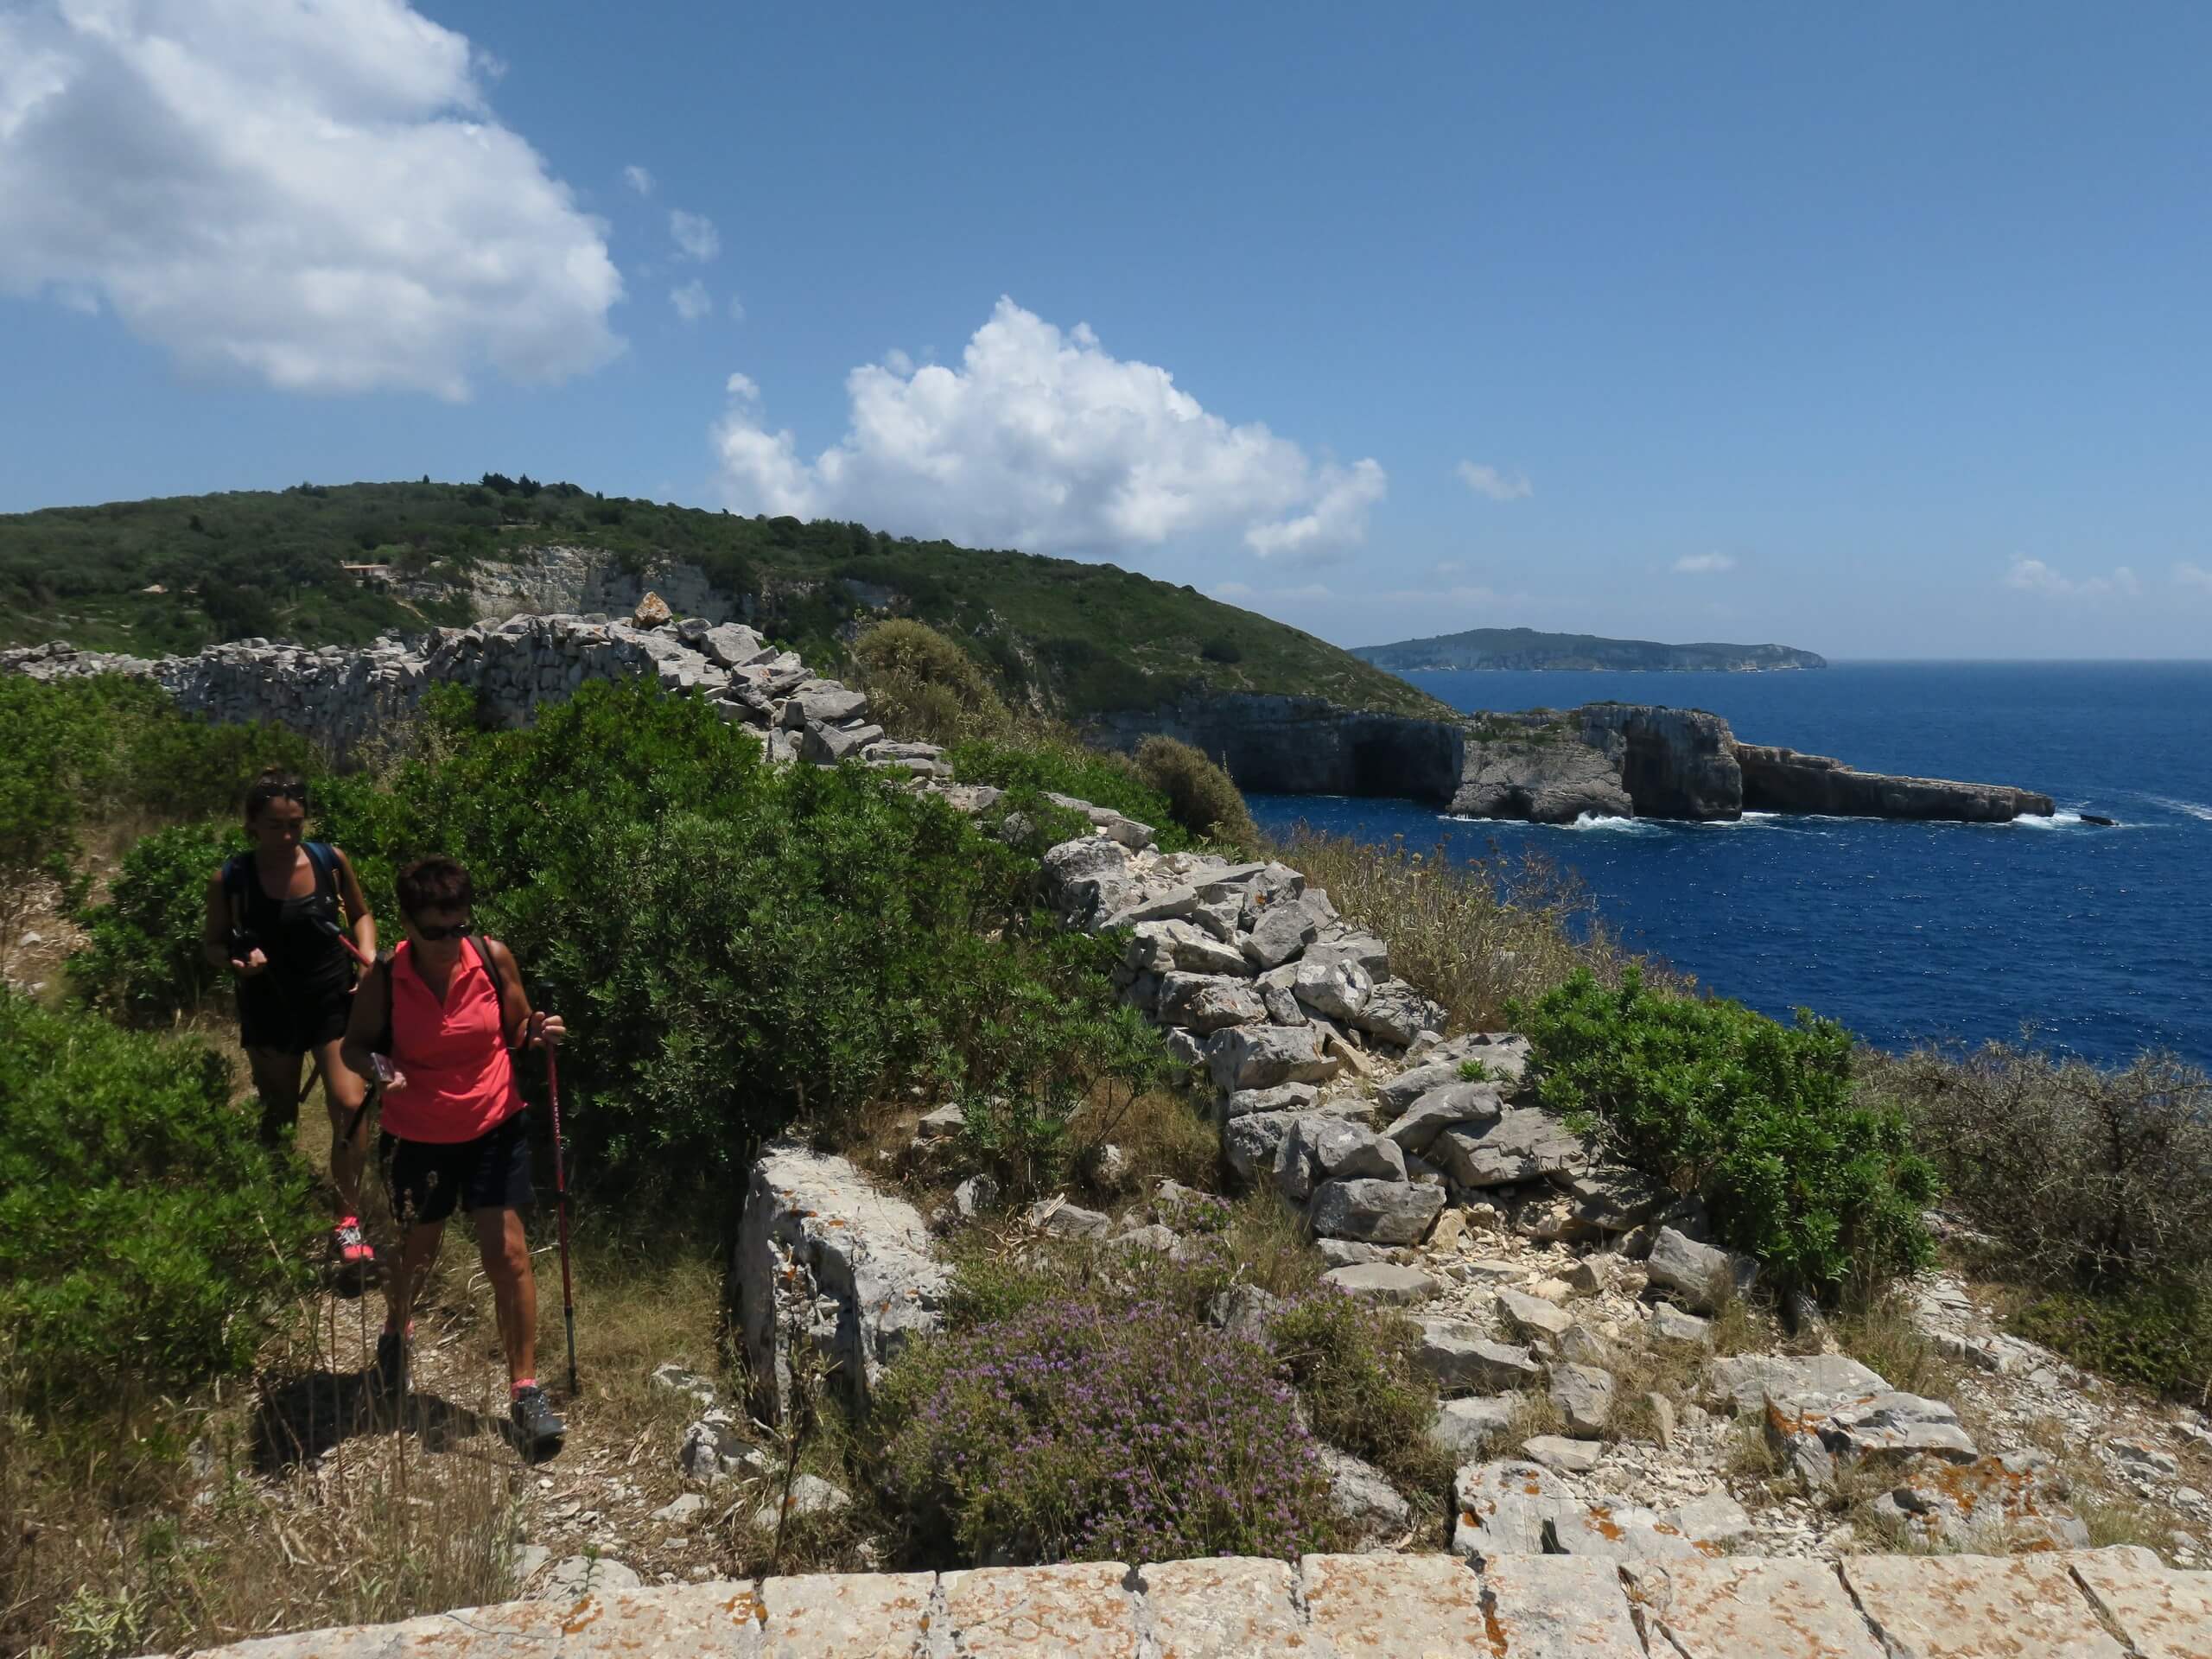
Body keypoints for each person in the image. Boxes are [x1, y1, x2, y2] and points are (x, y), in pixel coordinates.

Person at [342, 855, 567, 1454]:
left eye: (458, 927)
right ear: (408, 923)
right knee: (416, 1254)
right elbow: (354, 1049)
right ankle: (396, 1331)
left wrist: (536, 1034)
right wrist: (380, 1066)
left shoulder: (492, 959)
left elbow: (516, 1029)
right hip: (417, 1136)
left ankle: (525, 1393)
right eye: (435, 930)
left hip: (494, 1125)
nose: (449, 941)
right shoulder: (387, 977)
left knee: (510, 1256)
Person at [203, 770, 378, 1273]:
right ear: (251, 824)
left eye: (295, 825)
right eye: (274, 826)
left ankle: (347, 1223)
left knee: (350, 1104)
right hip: (270, 1005)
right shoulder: (230, 878)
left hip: (331, 1001)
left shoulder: (330, 861)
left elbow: (361, 916)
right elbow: (213, 945)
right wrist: (235, 961)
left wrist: (366, 959)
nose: (286, 837)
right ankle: (278, 1215)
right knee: (279, 1116)